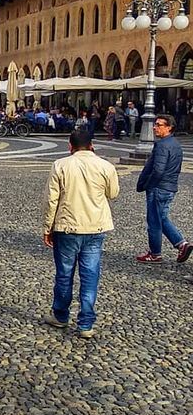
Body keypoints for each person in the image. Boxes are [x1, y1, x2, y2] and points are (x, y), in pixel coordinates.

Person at [43, 129, 120, 337]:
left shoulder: (60, 165)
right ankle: (86, 323)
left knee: (64, 274)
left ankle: (60, 315)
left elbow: (51, 200)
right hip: (95, 227)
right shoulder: (106, 166)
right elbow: (113, 194)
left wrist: (47, 227)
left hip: (67, 227)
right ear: (92, 145)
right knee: (90, 275)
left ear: (70, 146)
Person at [135, 114, 191, 263]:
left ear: (169, 128)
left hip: (159, 188)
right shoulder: (176, 144)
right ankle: (181, 244)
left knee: (154, 221)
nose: (154, 127)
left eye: (159, 125)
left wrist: (148, 184)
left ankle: (155, 254)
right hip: (170, 187)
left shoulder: (162, 145)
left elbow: (158, 170)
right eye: (155, 124)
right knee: (162, 218)